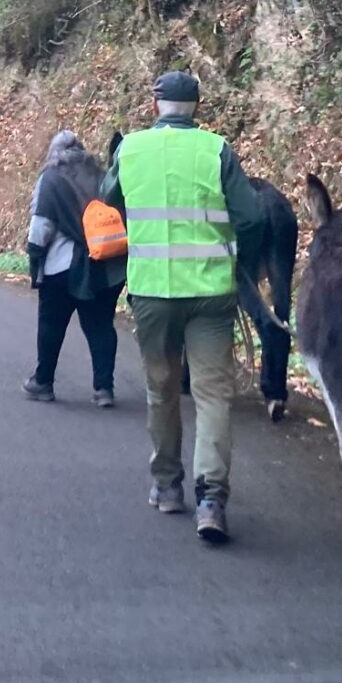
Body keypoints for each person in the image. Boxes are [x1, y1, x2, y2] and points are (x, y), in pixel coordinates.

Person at [100, 71, 265, 544]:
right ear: (197, 106)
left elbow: (108, 199)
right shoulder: (216, 150)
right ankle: (211, 500)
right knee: (213, 394)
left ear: (155, 106)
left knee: (162, 389)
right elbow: (252, 216)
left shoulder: (130, 149)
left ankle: (168, 486)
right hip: (211, 293)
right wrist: (241, 263)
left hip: (153, 293)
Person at [23, 131, 127, 407]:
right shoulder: (101, 175)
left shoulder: (50, 178)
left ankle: (43, 382)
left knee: (51, 325)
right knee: (101, 326)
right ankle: (104, 388)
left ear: (54, 152)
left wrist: (34, 255)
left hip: (61, 267)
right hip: (103, 265)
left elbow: (41, 226)